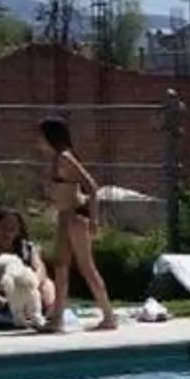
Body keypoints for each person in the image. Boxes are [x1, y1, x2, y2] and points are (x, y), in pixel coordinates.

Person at [38, 117, 117, 333]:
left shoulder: (65, 158)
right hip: (64, 215)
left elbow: (91, 186)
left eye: (41, 136)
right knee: (61, 267)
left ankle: (108, 316)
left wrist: (94, 219)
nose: (38, 142)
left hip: (76, 216)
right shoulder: (56, 159)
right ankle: (57, 318)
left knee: (85, 266)